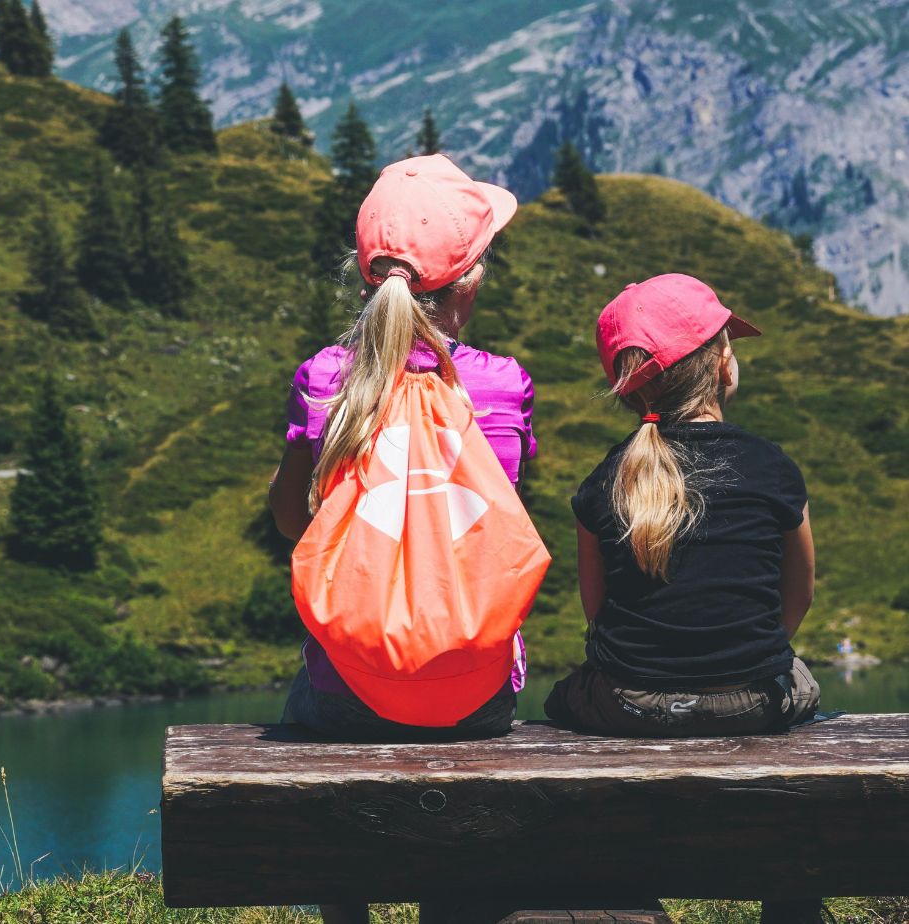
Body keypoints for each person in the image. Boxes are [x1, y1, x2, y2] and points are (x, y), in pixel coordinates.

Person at [268, 154, 538, 743]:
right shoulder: (503, 386)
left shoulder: (323, 379)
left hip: (347, 697)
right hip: (479, 700)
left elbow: (292, 523)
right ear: (471, 280)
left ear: (367, 274)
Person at [545, 274, 820, 736]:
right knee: (802, 680)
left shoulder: (605, 478)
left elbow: (597, 611)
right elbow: (800, 593)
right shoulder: (772, 465)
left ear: (627, 389)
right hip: (753, 701)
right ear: (723, 364)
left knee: (563, 696)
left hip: (631, 705)